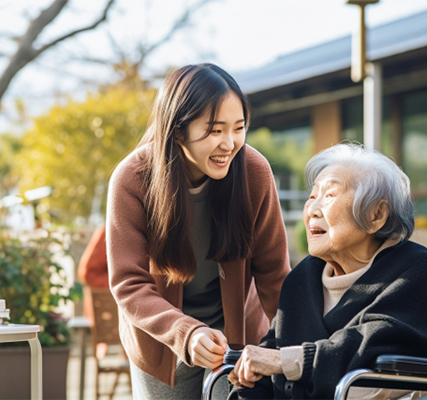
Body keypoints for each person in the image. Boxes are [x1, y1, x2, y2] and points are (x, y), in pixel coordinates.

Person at [105, 63, 291, 399]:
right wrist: (186, 333)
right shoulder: (131, 179)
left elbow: (275, 276)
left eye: (239, 128)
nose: (230, 143)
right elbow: (129, 284)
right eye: (215, 131)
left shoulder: (253, 172)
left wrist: (296, 351)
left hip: (235, 340)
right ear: (178, 131)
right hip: (162, 339)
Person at [228, 143, 427, 399]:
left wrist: (288, 361)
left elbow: (372, 344)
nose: (312, 210)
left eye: (330, 196)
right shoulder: (302, 278)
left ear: (376, 215)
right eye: (312, 197)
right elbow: (268, 359)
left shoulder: (417, 270)